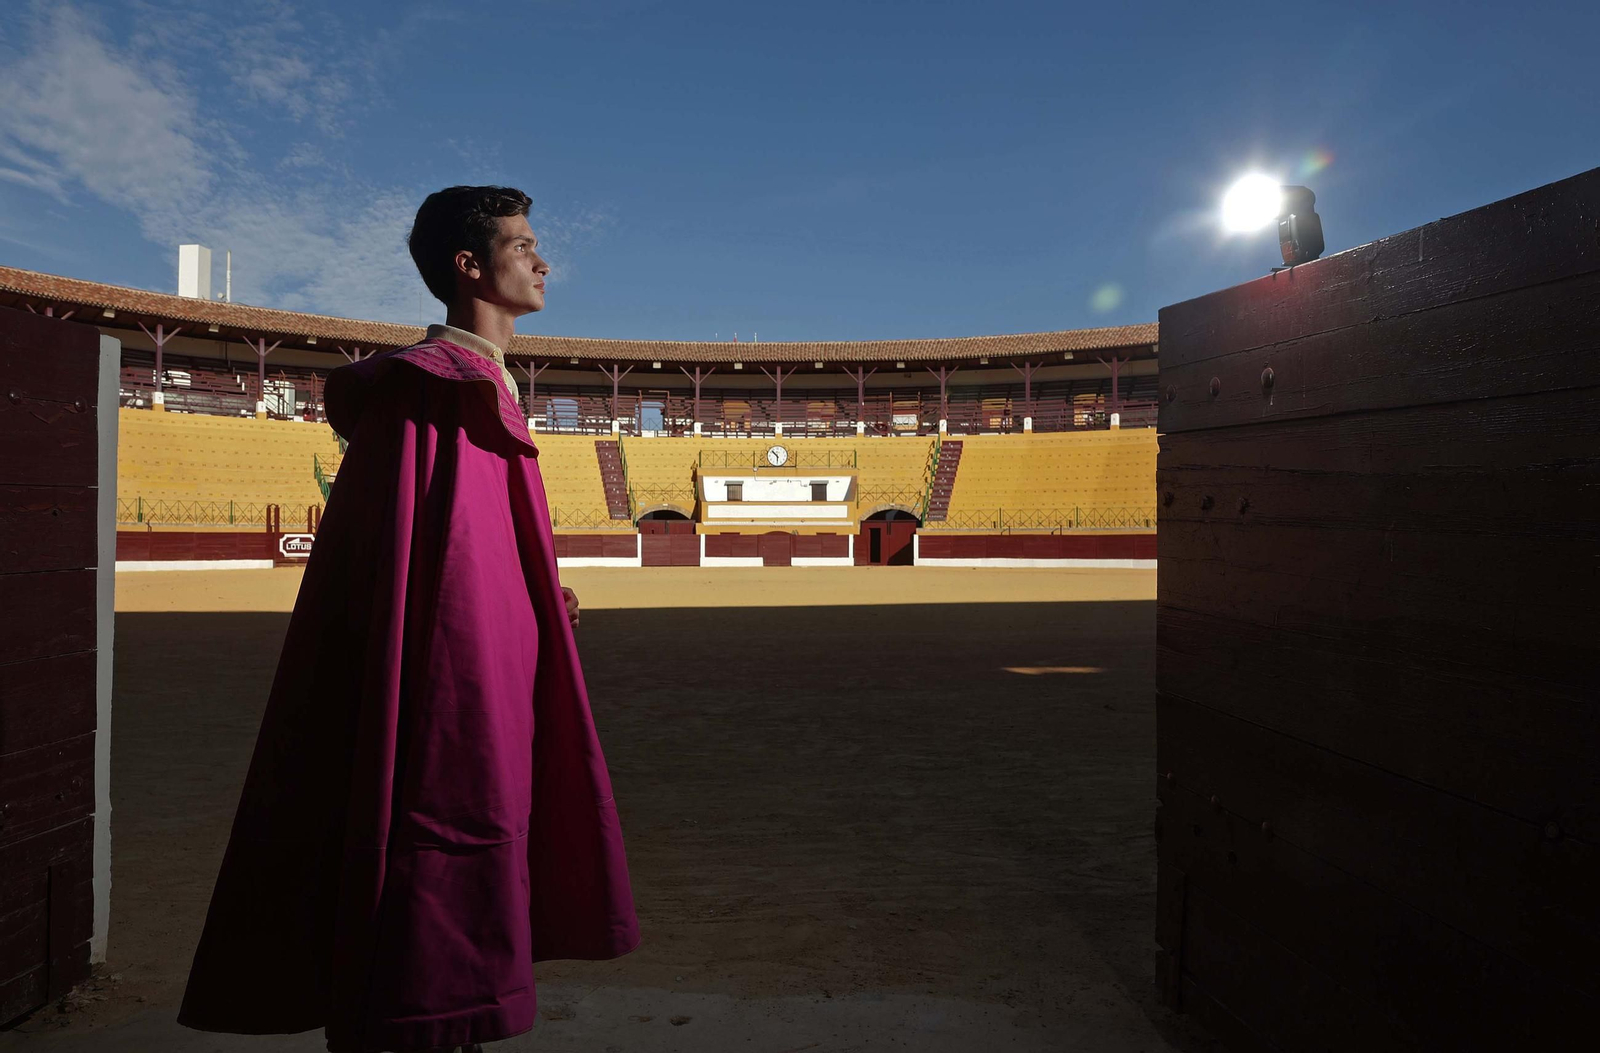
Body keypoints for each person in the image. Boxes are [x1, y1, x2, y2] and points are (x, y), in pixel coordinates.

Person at [177, 186, 641, 1053]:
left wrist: (532, 595)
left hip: (481, 656)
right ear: (470, 267)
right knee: (441, 820)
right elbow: (432, 570)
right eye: (523, 245)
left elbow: (462, 548)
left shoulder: (476, 383)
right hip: (448, 675)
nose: (543, 261)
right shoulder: (430, 390)